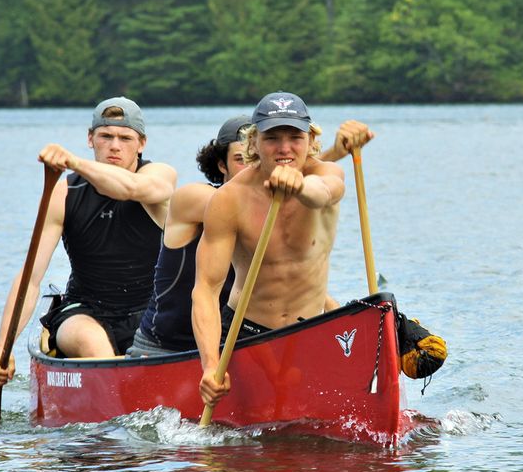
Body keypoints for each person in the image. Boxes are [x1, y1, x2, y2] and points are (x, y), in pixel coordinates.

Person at [127, 114, 374, 357]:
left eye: (293, 140)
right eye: (241, 158)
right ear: (225, 163)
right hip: (164, 347)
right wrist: (320, 158)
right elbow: (261, 198)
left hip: (229, 335)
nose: (252, 165)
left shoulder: (282, 196)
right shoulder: (204, 198)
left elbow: (303, 189)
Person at [191, 91, 373, 407]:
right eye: (273, 137)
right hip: (246, 332)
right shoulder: (229, 199)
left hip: (311, 329)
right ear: (253, 144)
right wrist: (209, 365)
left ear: (311, 140)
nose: (285, 147)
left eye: (294, 137)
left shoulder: (326, 174)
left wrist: (299, 186)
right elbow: (206, 289)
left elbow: (324, 193)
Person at [0, 97, 177, 389]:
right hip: (83, 310)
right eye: (105, 136)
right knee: (94, 346)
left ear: (141, 144)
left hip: (149, 309)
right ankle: (116, 407)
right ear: (90, 139)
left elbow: (130, 188)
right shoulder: (63, 193)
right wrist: (3, 348)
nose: (115, 145)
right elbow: (31, 278)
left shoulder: (159, 176)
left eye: (125, 138)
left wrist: (74, 161)